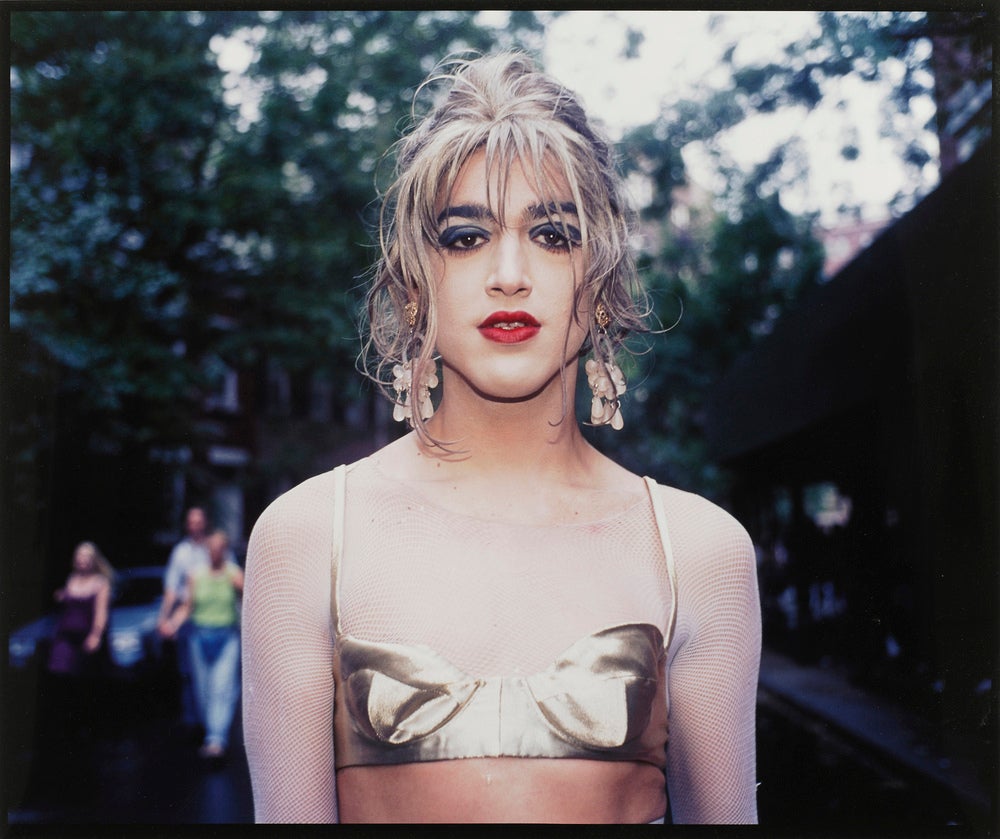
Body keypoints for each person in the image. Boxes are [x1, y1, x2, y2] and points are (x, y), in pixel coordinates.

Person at [242, 51, 760, 824]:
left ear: (604, 277)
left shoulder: (699, 551)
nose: (509, 274)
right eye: (465, 237)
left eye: (552, 234)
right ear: (414, 282)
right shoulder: (308, 538)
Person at [162, 529, 244, 759]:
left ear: (225, 551)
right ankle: (212, 731)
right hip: (199, 637)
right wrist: (172, 623)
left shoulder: (234, 574)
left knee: (222, 687)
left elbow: (249, 601)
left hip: (226, 637)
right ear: (207, 550)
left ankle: (216, 739)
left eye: (220, 549)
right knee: (204, 690)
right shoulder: (195, 575)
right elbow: (187, 606)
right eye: (212, 548)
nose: (215, 553)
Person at [158, 506, 210, 728]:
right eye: (191, 521)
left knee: (209, 672)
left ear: (205, 523)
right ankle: (193, 721)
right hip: (185, 617)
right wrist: (163, 617)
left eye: (199, 521)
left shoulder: (214, 548)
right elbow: (171, 587)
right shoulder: (181, 552)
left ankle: (210, 722)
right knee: (188, 671)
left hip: (210, 615)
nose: (195, 525)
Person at [48, 541, 114, 677]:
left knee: (84, 675)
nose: (82, 559)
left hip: (86, 638)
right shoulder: (72, 578)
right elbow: (70, 602)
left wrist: (95, 635)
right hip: (65, 635)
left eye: (86, 556)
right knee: (58, 669)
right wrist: (62, 595)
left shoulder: (101, 582)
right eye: (79, 556)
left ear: (93, 560)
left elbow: (101, 612)